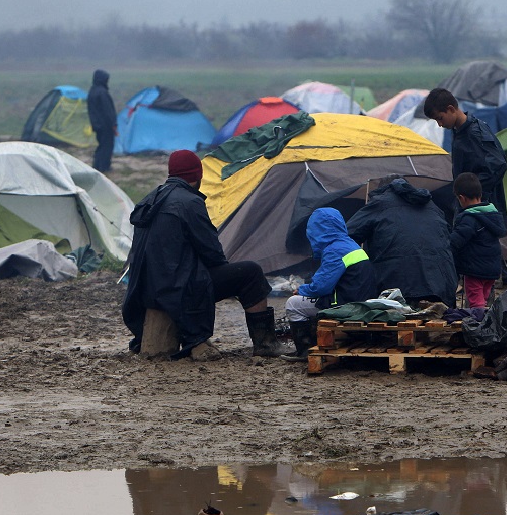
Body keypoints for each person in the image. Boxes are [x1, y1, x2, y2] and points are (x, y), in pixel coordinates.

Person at [122, 150, 285, 359]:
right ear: (197, 176)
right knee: (251, 273)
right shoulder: (189, 202)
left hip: (144, 289)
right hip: (177, 289)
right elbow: (212, 253)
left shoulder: (149, 200)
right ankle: (266, 344)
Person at [280, 207, 378, 362]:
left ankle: (306, 350)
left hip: (347, 305)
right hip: (360, 300)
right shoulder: (349, 244)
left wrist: (302, 290)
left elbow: (321, 286)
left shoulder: (334, 250)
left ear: (316, 231)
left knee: (293, 304)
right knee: (308, 301)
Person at [346, 177, 458, 306]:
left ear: (383, 190)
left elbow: (345, 237)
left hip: (396, 290)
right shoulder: (432, 207)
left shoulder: (379, 204)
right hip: (442, 288)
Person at [423, 88, 507, 220]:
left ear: (451, 109)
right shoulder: (457, 132)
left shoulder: (476, 133)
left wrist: (471, 193)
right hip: (467, 207)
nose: (440, 124)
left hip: (482, 210)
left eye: (440, 118)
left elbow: (498, 165)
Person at [449, 173, 505, 309]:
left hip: (474, 270)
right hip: (492, 269)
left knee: (476, 302)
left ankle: (479, 325)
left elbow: (455, 242)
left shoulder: (468, 218)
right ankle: (485, 320)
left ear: (461, 198)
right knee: (483, 299)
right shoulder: (493, 214)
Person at [87, 69, 117, 173]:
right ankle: (104, 166)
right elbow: (108, 110)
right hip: (106, 125)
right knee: (107, 146)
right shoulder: (102, 92)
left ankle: (97, 165)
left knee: (101, 145)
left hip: (97, 124)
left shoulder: (92, 90)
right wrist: (113, 124)